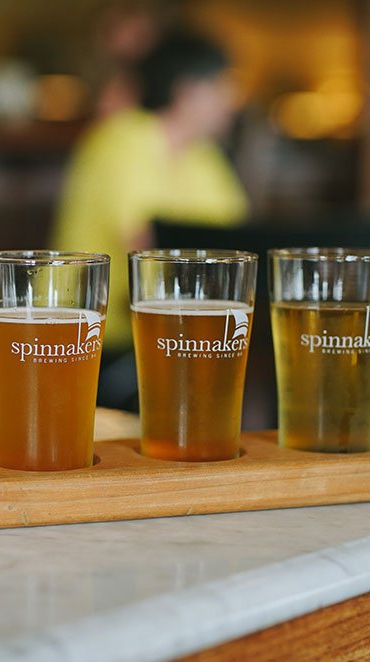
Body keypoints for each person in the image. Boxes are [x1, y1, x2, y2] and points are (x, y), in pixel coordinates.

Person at [52, 31, 249, 406]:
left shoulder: (204, 156)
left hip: (171, 332)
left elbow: (239, 243)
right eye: (223, 87)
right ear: (188, 91)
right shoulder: (123, 139)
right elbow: (144, 246)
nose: (232, 102)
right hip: (92, 342)